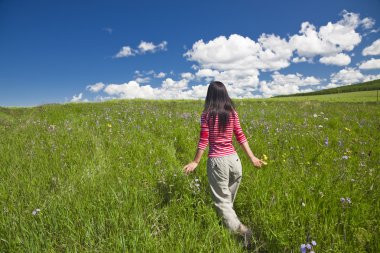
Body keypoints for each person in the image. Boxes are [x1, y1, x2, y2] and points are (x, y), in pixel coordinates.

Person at [183, 81, 265, 249]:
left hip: (218, 163)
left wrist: (196, 161)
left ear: (210, 95)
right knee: (227, 200)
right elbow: (240, 136)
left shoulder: (207, 114)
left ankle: (242, 232)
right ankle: (228, 223)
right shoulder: (232, 112)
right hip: (235, 161)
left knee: (223, 203)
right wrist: (252, 157)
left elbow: (203, 140)